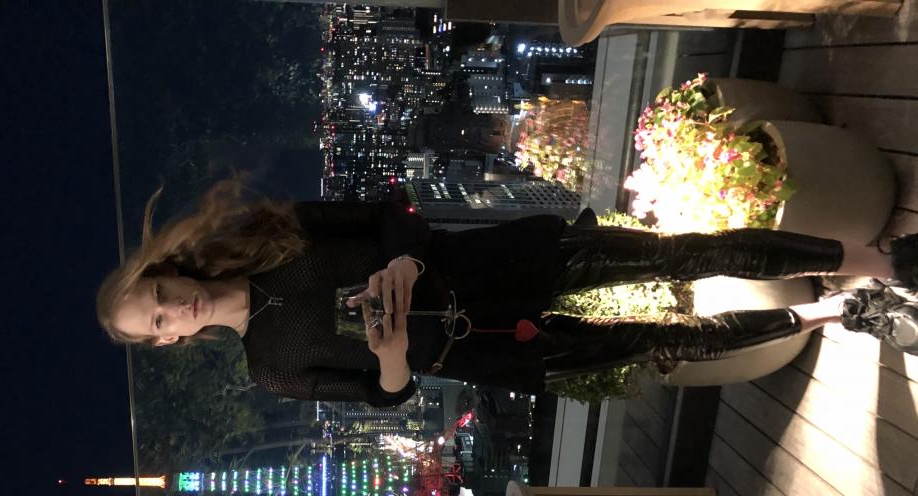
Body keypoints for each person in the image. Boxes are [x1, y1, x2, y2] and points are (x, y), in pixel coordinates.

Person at [97, 181, 918, 408]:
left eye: (162, 291)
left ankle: (873, 257)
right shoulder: (270, 368)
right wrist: (391, 356)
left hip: (500, 261)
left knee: (681, 254)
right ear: (166, 340)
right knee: (663, 341)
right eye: (159, 320)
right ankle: (831, 310)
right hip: (489, 353)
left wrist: (406, 261)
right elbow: (387, 398)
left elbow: (392, 210)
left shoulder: (275, 235)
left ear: (173, 269)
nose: (176, 308)